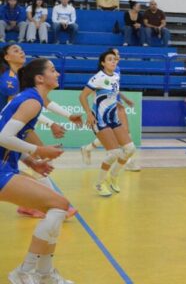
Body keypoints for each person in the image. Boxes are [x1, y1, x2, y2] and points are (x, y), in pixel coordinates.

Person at [0, 58, 75, 284]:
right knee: (59, 205)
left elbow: (10, 137)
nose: (57, 73)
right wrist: (39, 150)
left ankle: (43, 273)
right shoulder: (31, 101)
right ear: (40, 78)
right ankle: (26, 272)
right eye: (52, 70)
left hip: (7, 165)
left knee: (58, 206)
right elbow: (3, 137)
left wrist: (32, 162)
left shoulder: (31, 99)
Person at [0, 45, 80, 220]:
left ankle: (33, 203)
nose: (21, 52)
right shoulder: (10, 82)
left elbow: (43, 101)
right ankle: (43, 203)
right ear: (6, 57)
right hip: (9, 130)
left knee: (35, 160)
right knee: (40, 155)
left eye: (21, 50)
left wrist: (67, 116)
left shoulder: (26, 85)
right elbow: (21, 114)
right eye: (15, 51)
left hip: (10, 134)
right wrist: (42, 143)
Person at [79, 50, 136, 197]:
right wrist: (89, 113)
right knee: (114, 153)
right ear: (103, 63)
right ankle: (99, 184)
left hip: (113, 118)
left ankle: (113, 176)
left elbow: (112, 93)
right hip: (99, 119)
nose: (113, 61)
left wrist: (121, 101)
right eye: (109, 59)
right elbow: (82, 96)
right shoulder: (97, 78)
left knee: (130, 149)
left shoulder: (116, 76)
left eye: (114, 59)